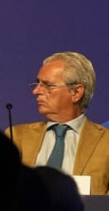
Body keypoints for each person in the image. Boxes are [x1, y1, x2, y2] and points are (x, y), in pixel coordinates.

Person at [6, 51, 109, 194]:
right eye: (37, 83)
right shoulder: (17, 137)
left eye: (48, 85)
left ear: (76, 93)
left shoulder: (106, 142)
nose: (36, 91)